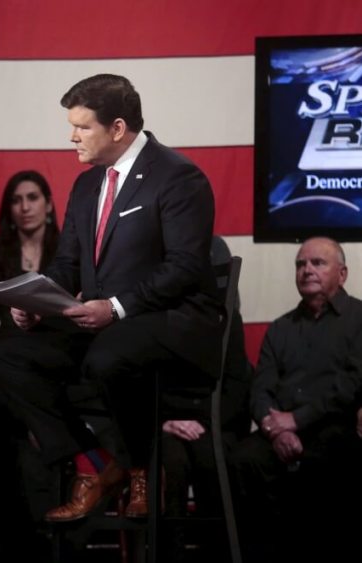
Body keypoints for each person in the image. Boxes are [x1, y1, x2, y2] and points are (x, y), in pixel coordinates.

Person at [0, 74, 223, 528]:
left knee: (108, 356)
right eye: (71, 126)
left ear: (117, 128)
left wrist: (115, 307)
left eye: (82, 127)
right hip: (108, 325)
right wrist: (37, 298)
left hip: (170, 322)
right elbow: (68, 265)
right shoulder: (86, 186)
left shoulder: (178, 176)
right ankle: (95, 463)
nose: (72, 136)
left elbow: (185, 267)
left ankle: (141, 471)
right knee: (8, 353)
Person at [228, 236, 362, 562]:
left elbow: (351, 384)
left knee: (330, 460)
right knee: (243, 458)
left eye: (318, 263)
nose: (307, 270)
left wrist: (297, 420)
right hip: (281, 429)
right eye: (301, 264)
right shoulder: (281, 327)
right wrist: (274, 428)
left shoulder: (359, 319)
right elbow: (261, 387)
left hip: (335, 425)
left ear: (342, 274)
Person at [160, 236, 253, 562]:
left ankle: (219, 552)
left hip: (215, 423)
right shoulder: (157, 319)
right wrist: (166, 420)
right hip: (167, 423)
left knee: (210, 458)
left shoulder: (229, 321)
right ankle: (169, 553)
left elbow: (238, 386)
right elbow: (146, 378)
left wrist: (204, 423)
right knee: (170, 461)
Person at [0, 169, 60, 279]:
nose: (25, 207)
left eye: (32, 198)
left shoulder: (67, 253)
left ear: (48, 204)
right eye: (16, 200)